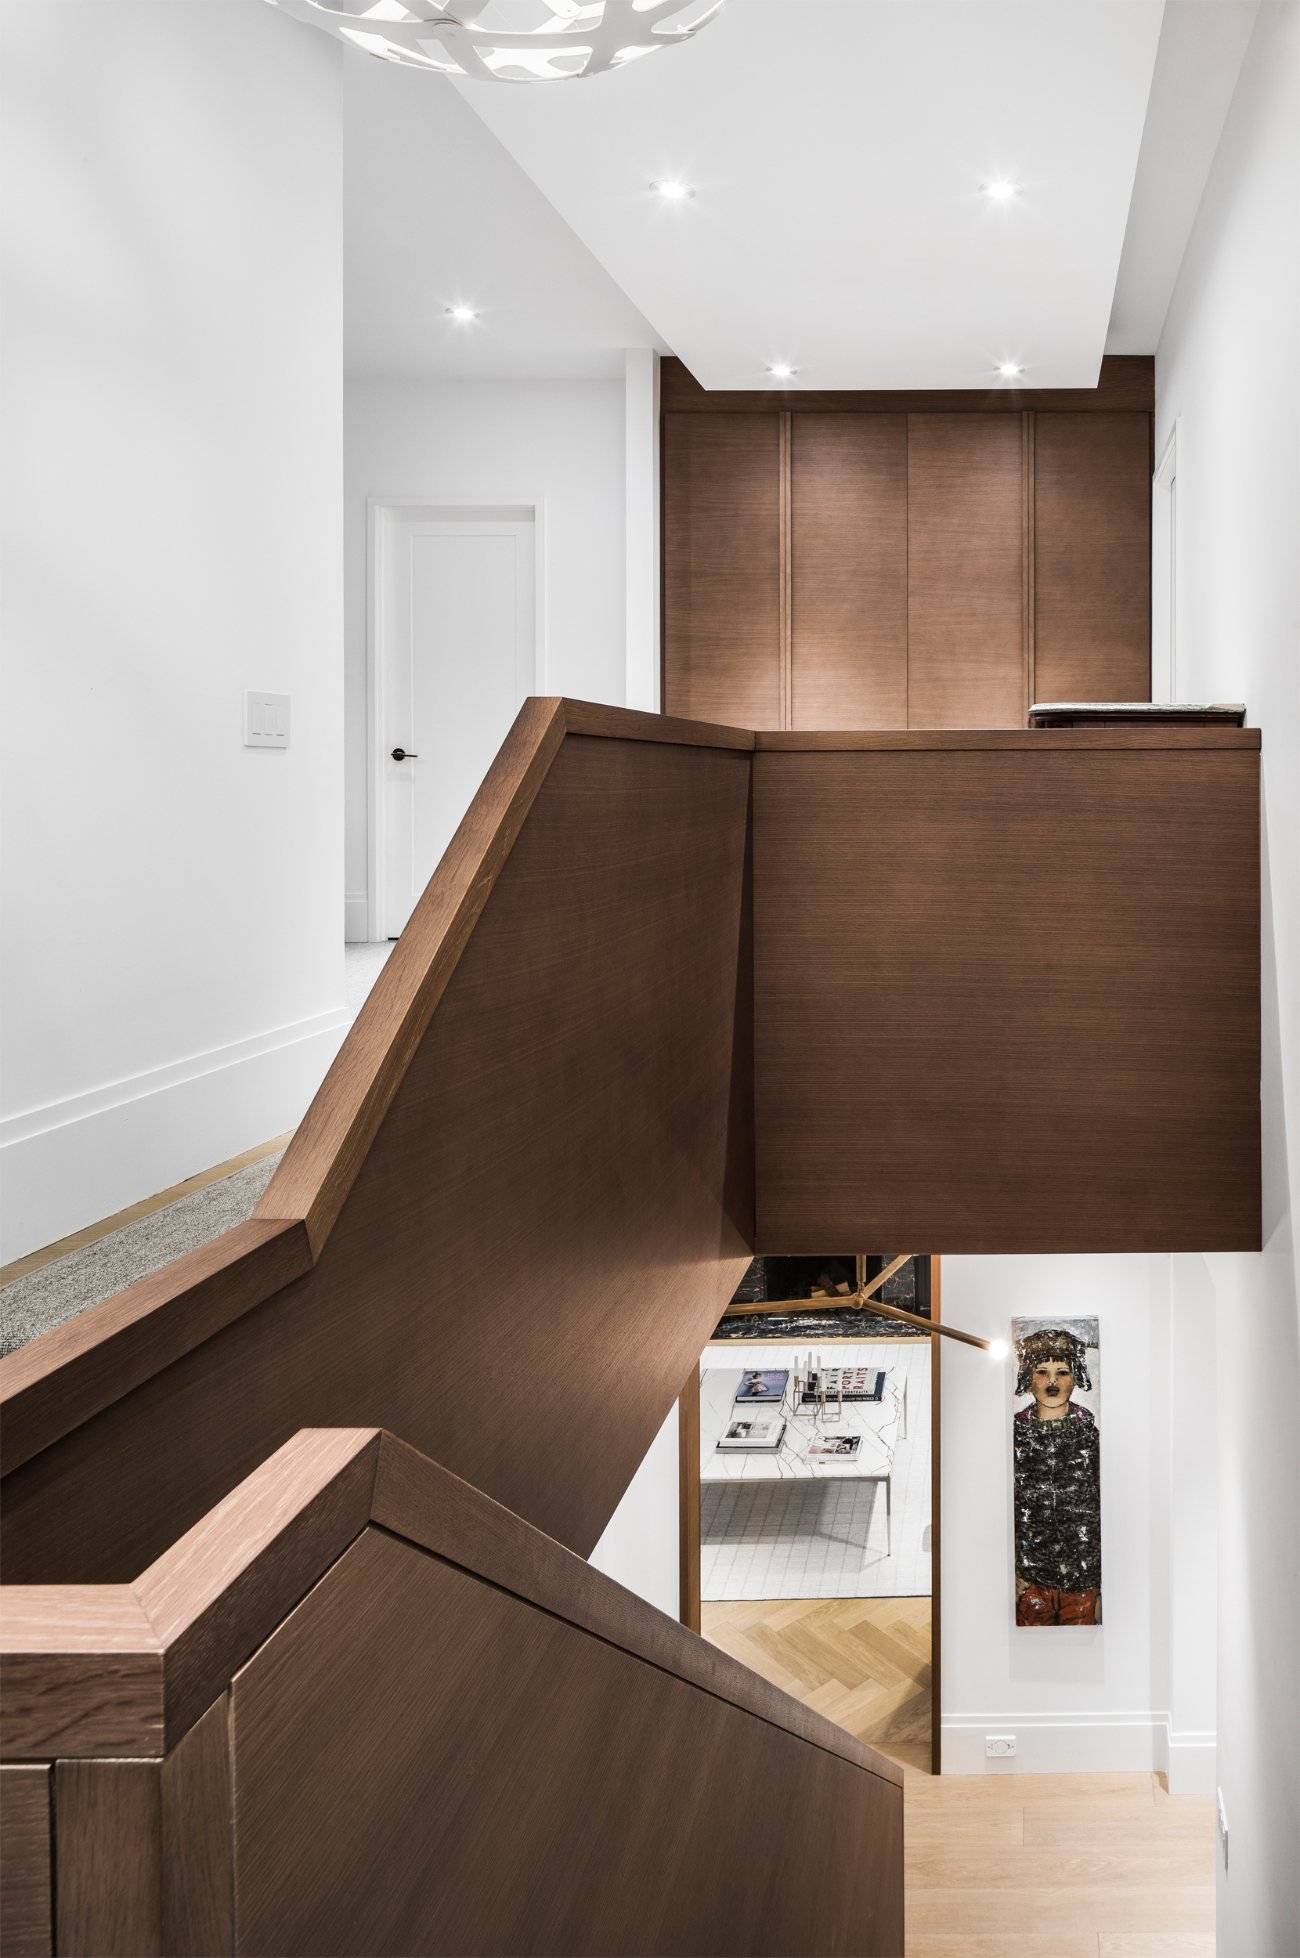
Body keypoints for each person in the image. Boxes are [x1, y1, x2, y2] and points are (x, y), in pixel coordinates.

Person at [1012, 1326, 1101, 1626]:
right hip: (1030, 1577)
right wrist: (1012, 1569)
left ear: (1076, 1377)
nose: (1052, 1382)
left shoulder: (1090, 1436)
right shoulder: (1014, 1435)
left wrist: (1100, 1579)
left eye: (1062, 1372)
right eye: (1041, 1371)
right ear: (1028, 1378)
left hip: (1083, 1577)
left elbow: (1104, 1502)